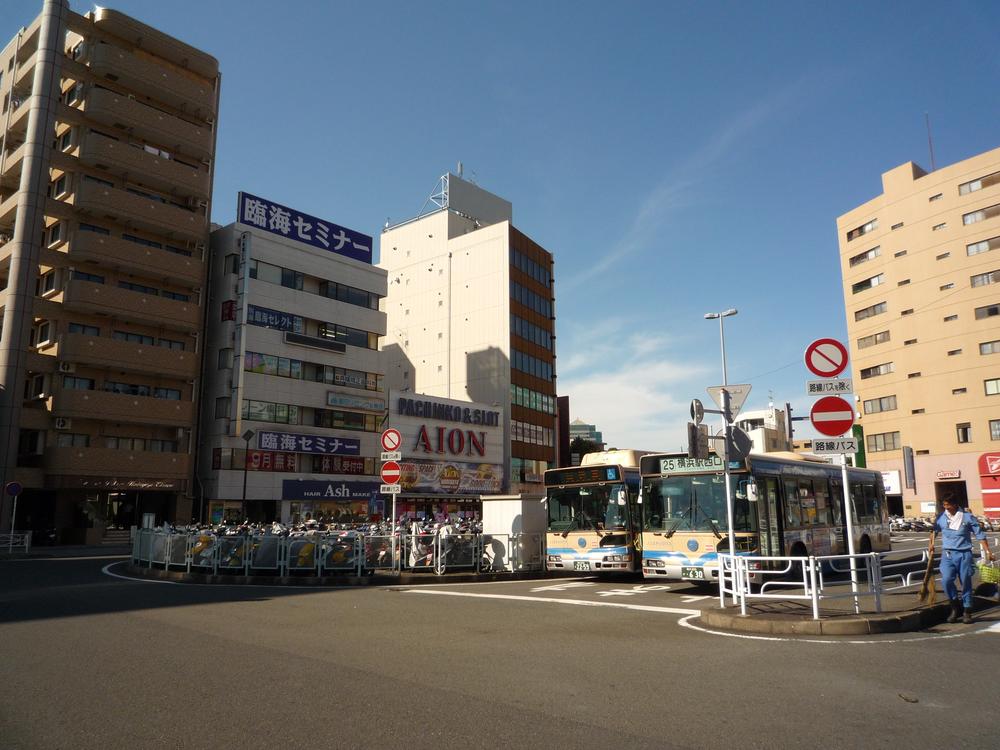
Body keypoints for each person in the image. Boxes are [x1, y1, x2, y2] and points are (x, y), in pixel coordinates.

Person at [929, 495, 993, 623]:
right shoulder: (941, 517)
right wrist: (931, 544)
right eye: (944, 505)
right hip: (947, 555)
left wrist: (988, 551)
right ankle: (954, 607)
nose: (946, 507)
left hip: (964, 554)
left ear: (955, 504)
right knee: (946, 580)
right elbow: (934, 531)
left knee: (966, 583)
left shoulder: (967, 517)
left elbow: (980, 535)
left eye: (948, 505)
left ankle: (967, 611)